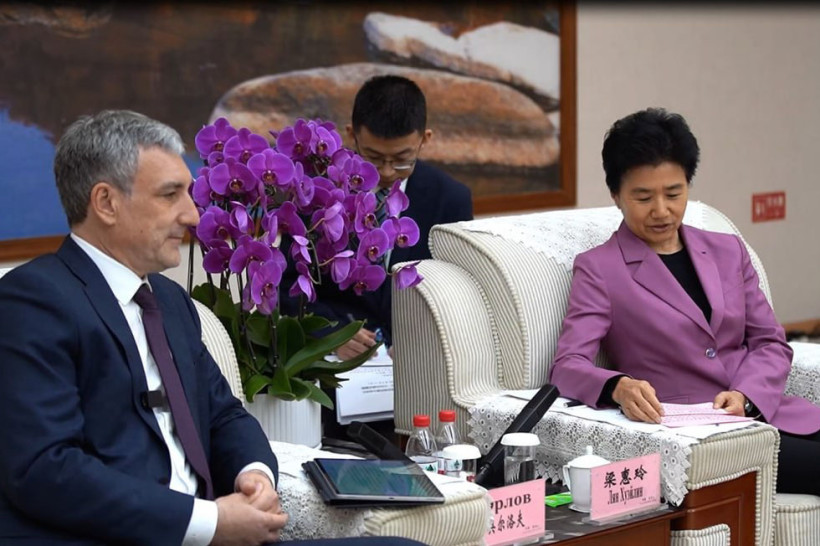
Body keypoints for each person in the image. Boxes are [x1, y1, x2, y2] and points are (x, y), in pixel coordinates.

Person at [0, 110, 426, 546]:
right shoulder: (33, 302)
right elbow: (44, 469)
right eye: (170, 195)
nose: (192, 215)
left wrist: (253, 474)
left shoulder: (169, 301)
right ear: (106, 202)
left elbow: (224, 414)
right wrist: (210, 522)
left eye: (189, 193)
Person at [548, 107, 820, 496]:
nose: (661, 211)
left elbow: (770, 342)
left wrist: (747, 395)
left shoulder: (727, 250)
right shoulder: (599, 269)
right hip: (696, 439)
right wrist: (618, 387)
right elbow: (567, 366)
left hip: (765, 412)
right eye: (643, 197)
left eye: (674, 194)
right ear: (616, 196)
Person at [282, 74, 473, 361]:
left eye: (402, 159)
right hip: (336, 361)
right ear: (352, 135)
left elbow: (460, 293)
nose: (386, 171)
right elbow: (288, 287)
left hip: (418, 357)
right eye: (372, 157)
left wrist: (423, 336)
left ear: (425, 139)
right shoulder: (318, 194)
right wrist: (332, 334)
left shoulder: (451, 199)